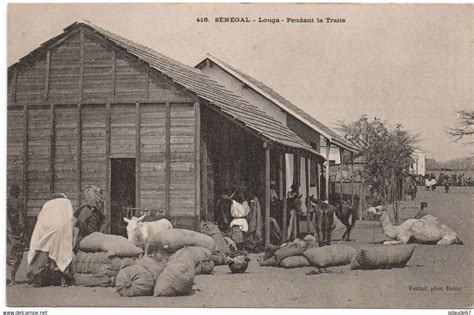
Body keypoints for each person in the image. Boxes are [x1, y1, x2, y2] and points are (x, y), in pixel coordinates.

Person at [27, 193, 75, 287]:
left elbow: (41, 219)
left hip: (48, 228)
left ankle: (37, 279)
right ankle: (64, 279)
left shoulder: (48, 204)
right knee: (62, 251)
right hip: (62, 229)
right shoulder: (66, 203)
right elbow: (70, 218)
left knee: (42, 250)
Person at [6, 184, 27, 286]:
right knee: (16, 254)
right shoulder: (18, 203)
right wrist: (22, 231)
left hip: (7, 230)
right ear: (18, 193)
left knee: (9, 253)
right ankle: (12, 279)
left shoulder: (6, 201)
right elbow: (21, 219)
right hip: (14, 231)